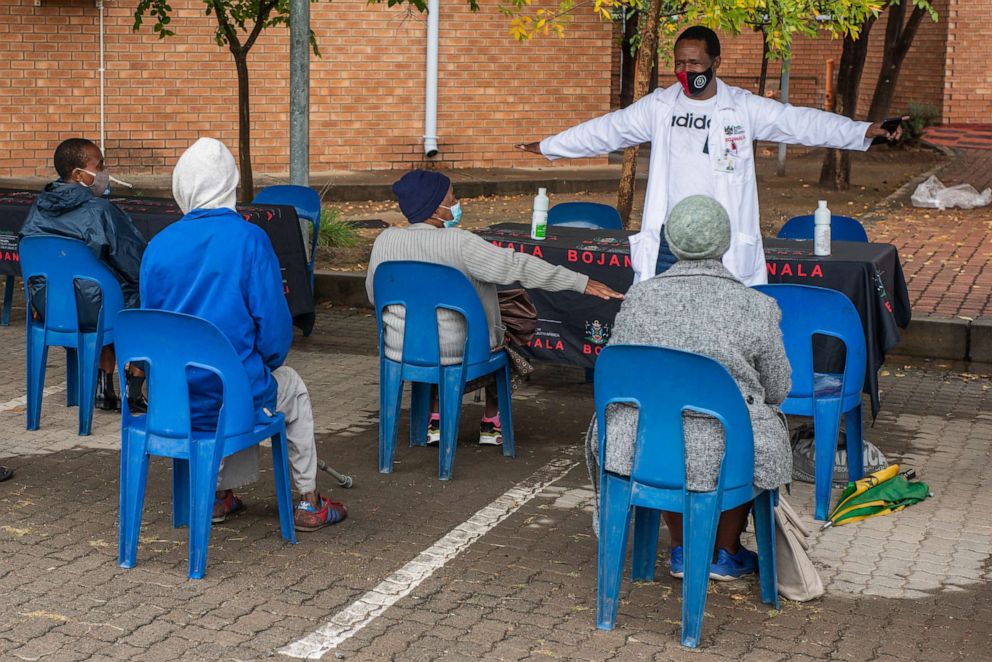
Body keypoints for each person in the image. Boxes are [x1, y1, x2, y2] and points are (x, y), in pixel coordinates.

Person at [517, 25, 903, 287]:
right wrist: (550, 146)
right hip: (671, 241)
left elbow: (801, 122)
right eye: (679, 64)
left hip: (724, 243)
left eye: (695, 64)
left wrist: (862, 130)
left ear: (715, 63)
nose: (686, 71)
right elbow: (607, 130)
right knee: (666, 321)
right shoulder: (660, 106)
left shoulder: (743, 108)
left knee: (723, 326)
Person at [139, 138, 346, 532]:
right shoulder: (250, 239)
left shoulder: (158, 245)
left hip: (173, 399)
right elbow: (274, 331)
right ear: (230, 183)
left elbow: (153, 324)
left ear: (182, 185)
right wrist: (264, 364)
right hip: (230, 395)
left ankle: (218, 496)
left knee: (232, 379)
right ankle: (309, 501)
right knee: (287, 387)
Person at [586, 195, 792, 580]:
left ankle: (681, 548)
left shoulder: (639, 297)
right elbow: (777, 388)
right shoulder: (757, 305)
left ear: (672, 244)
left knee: (668, 431)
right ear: (725, 242)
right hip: (727, 445)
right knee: (748, 432)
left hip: (642, 442)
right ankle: (725, 552)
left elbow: (619, 367)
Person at [366, 169, 623, 446]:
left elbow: (373, 295)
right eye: (451, 198)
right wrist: (580, 282)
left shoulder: (385, 240)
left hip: (400, 347)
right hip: (459, 351)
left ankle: (437, 417)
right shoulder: (460, 243)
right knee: (508, 332)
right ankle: (491, 421)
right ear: (434, 208)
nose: (456, 204)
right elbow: (518, 265)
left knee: (441, 332)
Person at [20, 138, 148, 412]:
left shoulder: (38, 208)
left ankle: (103, 386)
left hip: (50, 307)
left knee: (104, 284)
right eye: (99, 165)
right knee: (143, 290)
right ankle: (135, 386)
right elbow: (135, 263)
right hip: (93, 307)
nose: (104, 170)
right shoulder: (100, 210)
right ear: (79, 174)